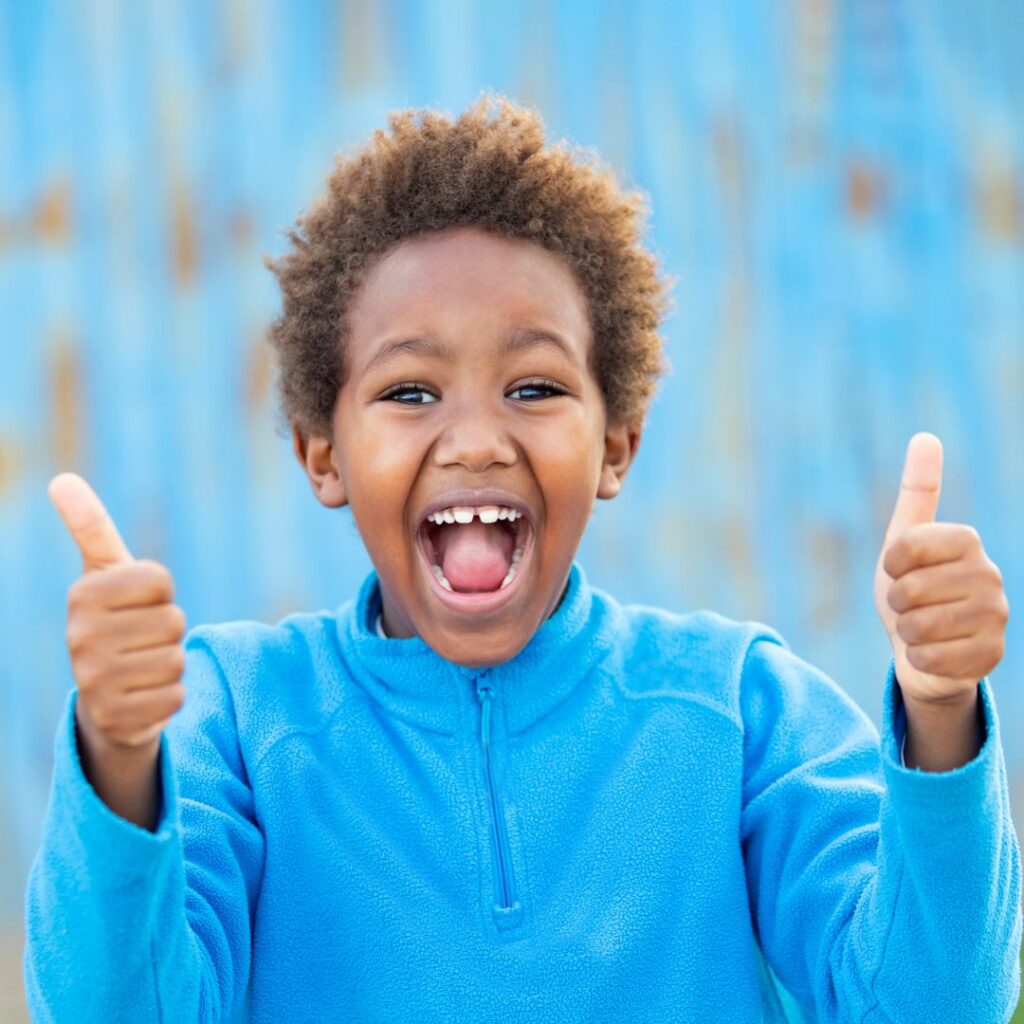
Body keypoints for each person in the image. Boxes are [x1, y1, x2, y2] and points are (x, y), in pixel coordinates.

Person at [24, 96, 1020, 1023]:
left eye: (534, 387)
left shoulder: (735, 707)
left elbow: (934, 1004)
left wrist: (937, 710)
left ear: (615, 444)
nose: (473, 439)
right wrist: (117, 751)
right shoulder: (237, 715)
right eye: (410, 392)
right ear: (321, 454)